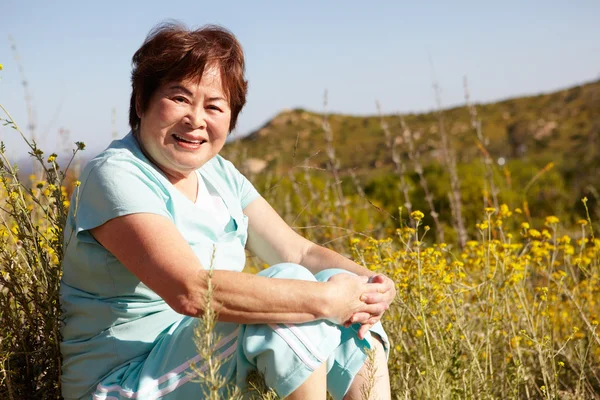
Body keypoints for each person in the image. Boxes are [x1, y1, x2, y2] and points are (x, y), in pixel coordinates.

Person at [60, 22, 396, 400]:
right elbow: (191, 291)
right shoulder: (116, 174)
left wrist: (372, 287)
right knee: (294, 296)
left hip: (197, 363)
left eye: (214, 106)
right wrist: (328, 300)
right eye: (180, 98)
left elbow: (298, 250)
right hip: (125, 382)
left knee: (347, 298)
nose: (196, 119)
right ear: (142, 102)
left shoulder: (218, 173)